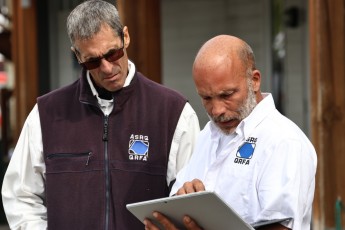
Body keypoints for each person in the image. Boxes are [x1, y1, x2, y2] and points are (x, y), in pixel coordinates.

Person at [1, 0, 200, 229]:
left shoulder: (174, 113)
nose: (106, 68)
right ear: (77, 55)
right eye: (93, 61)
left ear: (125, 37)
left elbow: (189, 200)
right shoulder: (46, 114)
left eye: (112, 53)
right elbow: (20, 195)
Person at [144, 35, 317, 230]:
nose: (216, 110)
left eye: (226, 95)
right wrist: (179, 204)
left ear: (255, 80)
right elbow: (176, 203)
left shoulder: (283, 141)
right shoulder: (208, 135)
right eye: (206, 98)